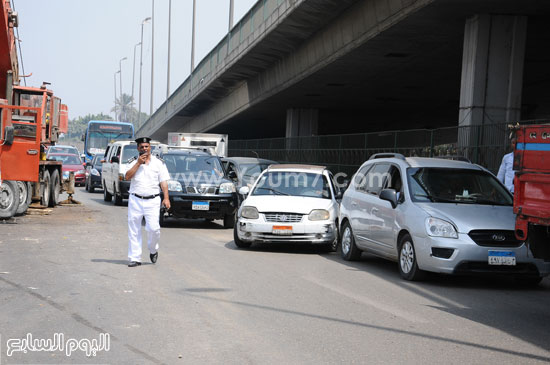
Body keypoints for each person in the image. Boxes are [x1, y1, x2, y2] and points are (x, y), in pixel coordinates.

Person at [124, 137, 171, 267]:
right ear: (137, 148)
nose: (144, 149)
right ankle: (135, 258)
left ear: (150, 147)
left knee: (154, 229)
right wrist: (138, 163)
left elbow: (163, 182)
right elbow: (127, 176)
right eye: (142, 147)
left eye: (146, 146)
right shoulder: (133, 162)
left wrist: (166, 198)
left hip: (153, 200)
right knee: (134, 229)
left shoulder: (158, 163)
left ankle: (153, 249)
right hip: (135, 199)